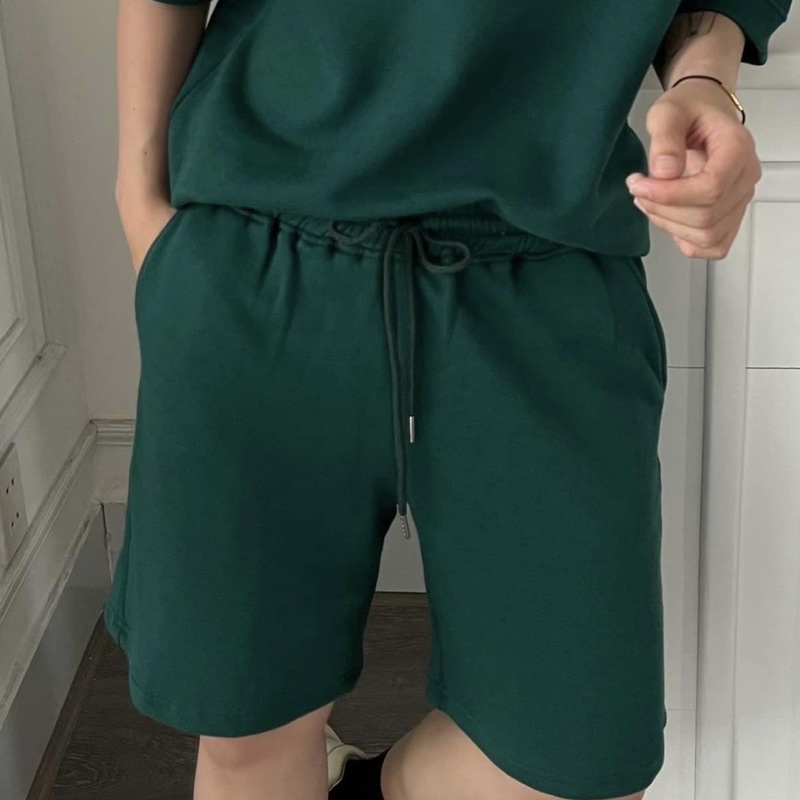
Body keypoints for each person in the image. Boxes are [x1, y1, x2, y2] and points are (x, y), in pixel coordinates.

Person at [106, 2, 791, 799]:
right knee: (250, 733)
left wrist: (705, 78)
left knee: (582, 767)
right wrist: (140, 205)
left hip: (547, 267)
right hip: (259, 253)